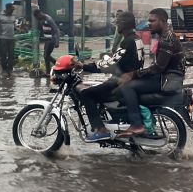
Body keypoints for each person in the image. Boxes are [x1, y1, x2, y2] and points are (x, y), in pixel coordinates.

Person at [117, 8, 185, 137]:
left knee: (126, 87)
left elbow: (158, 67)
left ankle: (136, 125)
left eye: (152, 21)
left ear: (163, 21)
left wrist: (133, 74)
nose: (149, 23)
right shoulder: (166, 36)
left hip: (166, 80)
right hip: (166, 77)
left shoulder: (167, 39)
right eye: (149, 20)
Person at [78, 11, 144, 142]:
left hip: (122, 80)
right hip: (133, 77)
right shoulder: (137, 39)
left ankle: (100, 129)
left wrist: (84, 66)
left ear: (124, 24)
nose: (116, 25)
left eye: (118, 22)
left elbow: (111, 63)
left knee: (86, 93)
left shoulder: (127, 42)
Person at [33, 6, 60, 74]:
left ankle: (58, 65)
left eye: (37, 17)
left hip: (51, 39)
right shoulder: (41, 19)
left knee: (46, 56)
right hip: (47, 39)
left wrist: (57, 41)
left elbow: (56, 30)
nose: (37, 19)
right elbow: (43, 29)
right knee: (46, 56)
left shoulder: (48, 19)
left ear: (39, 14)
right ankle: (49, 71)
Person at [0, 2, 17, 77]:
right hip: (2, 38)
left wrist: (17, 29)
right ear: (7, 9)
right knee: (3, 54)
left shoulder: (13, 16)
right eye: (11, 9)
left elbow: (14, 26)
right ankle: (4, 69)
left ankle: (10, 69)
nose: (12, 11)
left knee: (11, 55)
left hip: (11, 38)